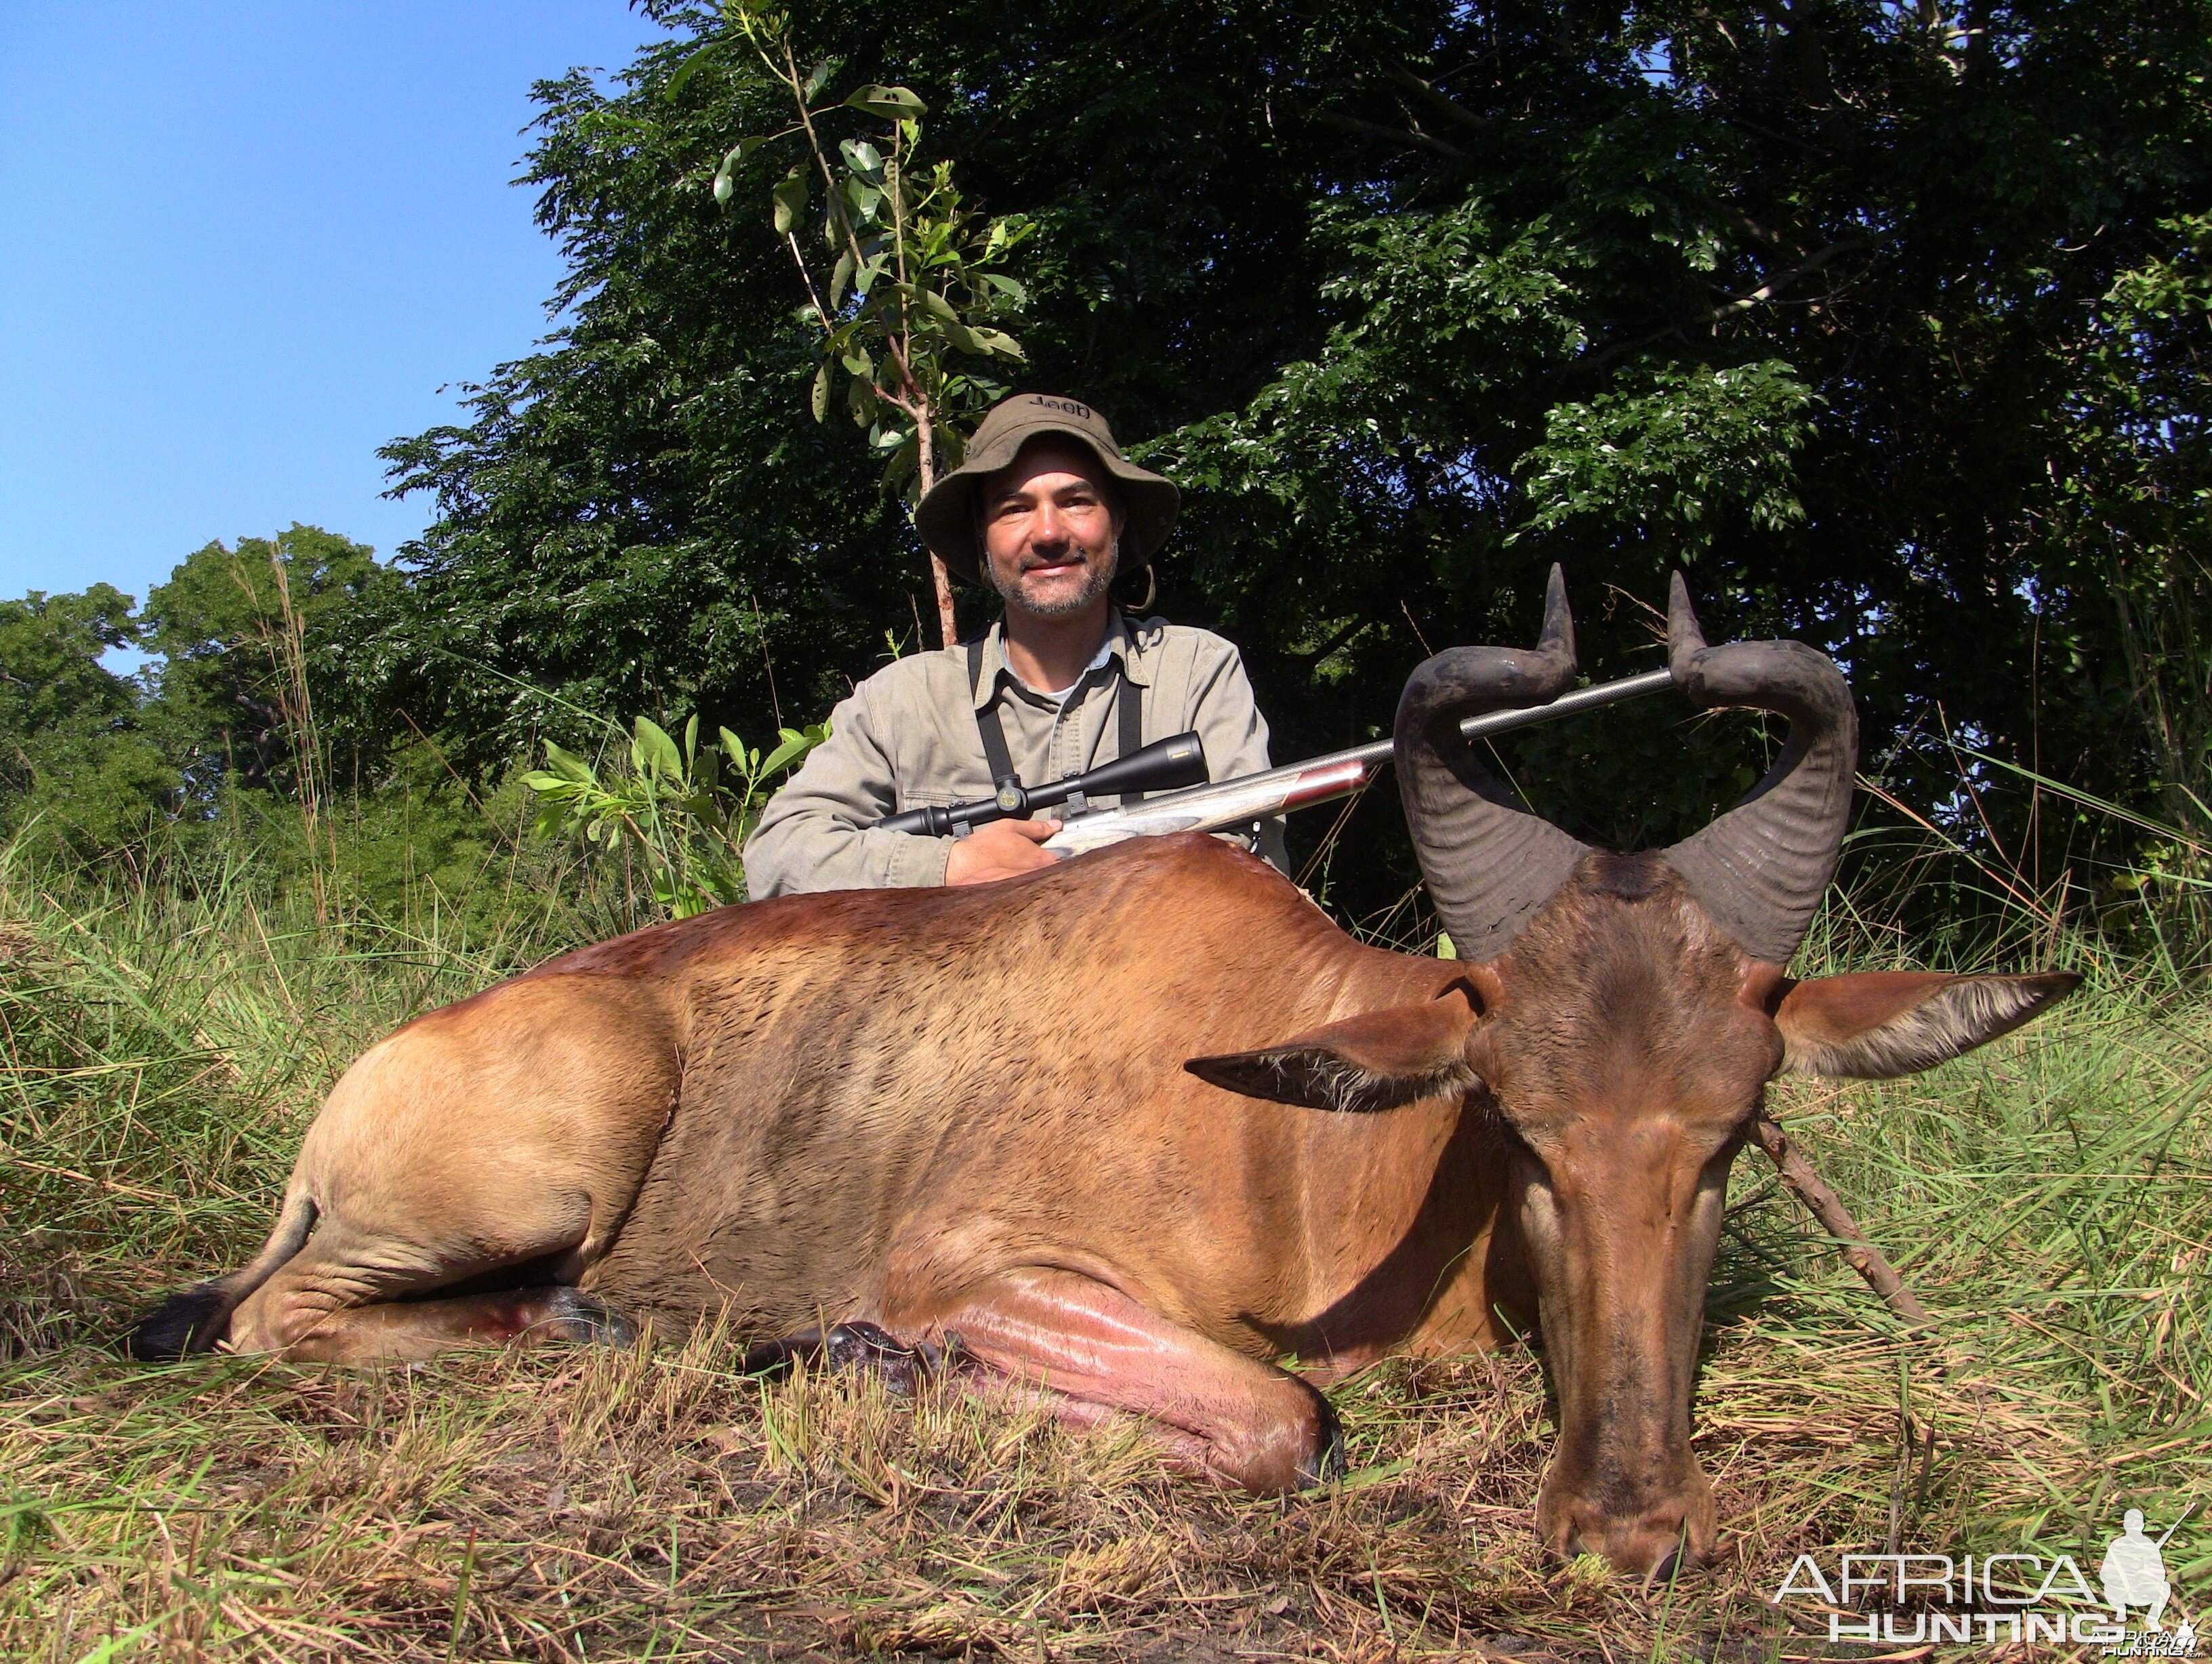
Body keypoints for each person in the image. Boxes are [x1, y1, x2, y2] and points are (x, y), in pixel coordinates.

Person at [743, 393, 1288, 896]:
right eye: (1015, 508)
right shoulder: (900, 701)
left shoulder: (1197, 670)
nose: (1049, 533)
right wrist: (951, 864)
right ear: (982, 535)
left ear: (1117, 521)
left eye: (1076, 501)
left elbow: (1254, 878)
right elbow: (776, 856)